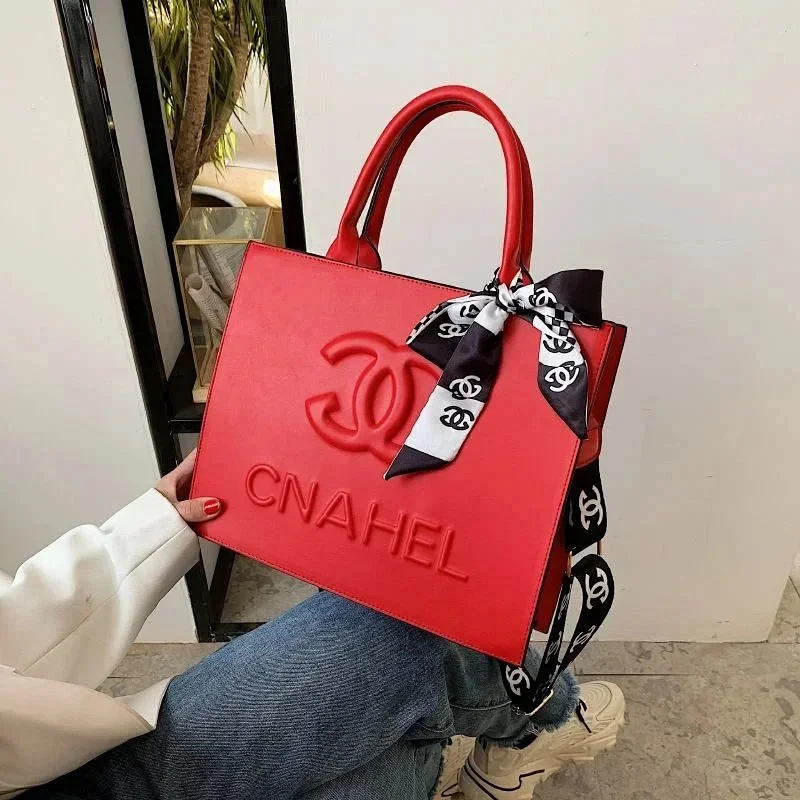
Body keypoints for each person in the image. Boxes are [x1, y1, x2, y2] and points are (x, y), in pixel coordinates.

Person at [1, 451, 624, 800]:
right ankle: (533, 720)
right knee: (397, 681)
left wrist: (139, 536)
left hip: (74, 779)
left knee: (389, 638)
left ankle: (507, 727)